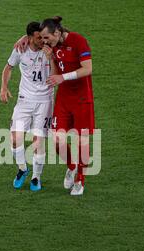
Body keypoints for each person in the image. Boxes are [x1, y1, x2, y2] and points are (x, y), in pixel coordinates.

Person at [15, 16, 94, 196]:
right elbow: (36, 33)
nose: (44, 42)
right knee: (57, 139)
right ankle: (71, 166)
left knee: (81, 140)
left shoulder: (78, 41)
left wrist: (62, 77)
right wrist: (24, 38)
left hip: (82, 99)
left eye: (46, 38)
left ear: (57, 33)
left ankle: (80, 179)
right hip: (64, 99)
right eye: (42, 39)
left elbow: (88, 69)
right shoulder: (52, 42)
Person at [0, 21, 54, 191]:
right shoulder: (20, 49)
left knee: (38, 141)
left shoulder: (50, 49)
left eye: (44, 37)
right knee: (15, 138)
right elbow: (8, 68)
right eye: (38, 38)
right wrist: (4, 87)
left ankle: (36, 178)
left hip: (45, 100)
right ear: (30, 38)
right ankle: (23, 169)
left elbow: (56, 74)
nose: (43, 41)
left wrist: (51, 57)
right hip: (24, 100)